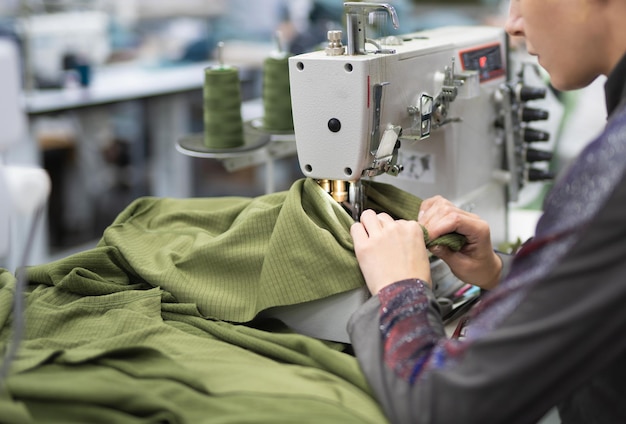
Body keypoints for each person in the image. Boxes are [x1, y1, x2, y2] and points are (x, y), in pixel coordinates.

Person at [348, 0, 626, 423]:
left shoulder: (614, 170)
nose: (512, 24)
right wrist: (501, 271)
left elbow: (444, 406)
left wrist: (399, 288)